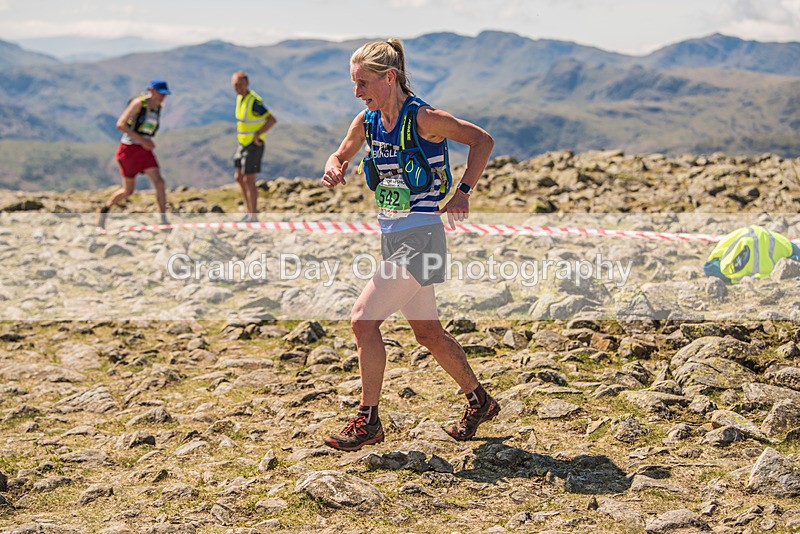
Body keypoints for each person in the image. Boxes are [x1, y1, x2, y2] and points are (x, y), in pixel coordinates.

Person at [320, 39, 498, 451]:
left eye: (363, 82)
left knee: (363, 320)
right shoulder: (366, 121)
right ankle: (480, 400)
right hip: (394, 237)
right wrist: (334, 165)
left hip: (422, 239)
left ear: (389, 77)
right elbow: (341, 153)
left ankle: (368, 421)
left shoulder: (425, 118)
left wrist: (463, 191)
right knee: (428, 333)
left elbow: (482, 141)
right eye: (353, 83)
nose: (357, 91)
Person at [97, 78, 171, 229]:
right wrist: (142, 140)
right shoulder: (138, 104)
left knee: (159, 182)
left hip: (145, 150)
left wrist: (146, 142)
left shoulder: (158, 107)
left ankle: (163, 219)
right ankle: (106, 208)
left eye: (165, 94)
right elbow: (121, 124)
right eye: (160, 93)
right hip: (129, 149)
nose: (162, 97)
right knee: (128, 191)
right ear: (151, 91)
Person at [232, 71, 277, 222]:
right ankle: (248, 210)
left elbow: (271, 119)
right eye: (235, 85)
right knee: (239, 177)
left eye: (240, 84)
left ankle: (253, 215)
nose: (238, 88)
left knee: (249, 180)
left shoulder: (254, 101)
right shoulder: (240, 99)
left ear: (247, 84)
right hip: (242, 143)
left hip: (254, 144)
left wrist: (258, 134)